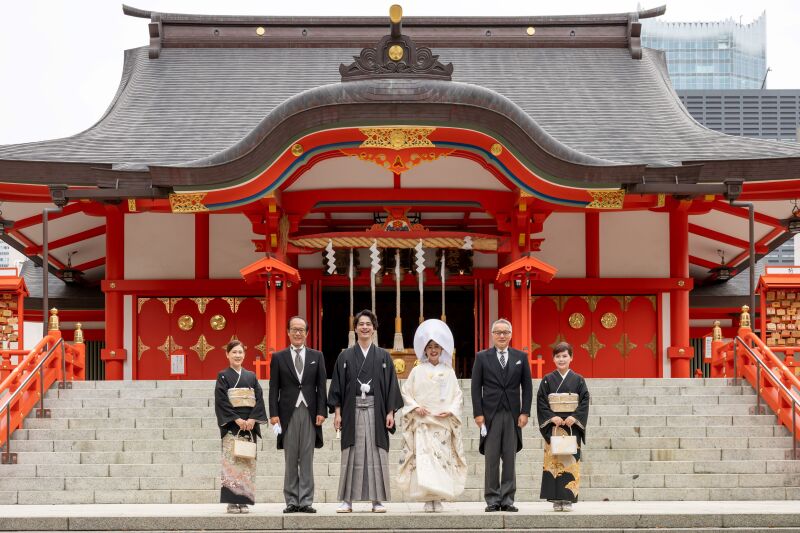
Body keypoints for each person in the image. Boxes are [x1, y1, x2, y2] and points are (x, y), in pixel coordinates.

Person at [327, 309, 403, 513]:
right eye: (361, 324)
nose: (365, 327)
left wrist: (390, 412)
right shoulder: (345, 356)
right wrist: (337, 412)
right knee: (350, 454)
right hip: (351, 412)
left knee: (377, 454)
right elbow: (337, 386)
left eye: (368, 324)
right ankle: (347, 500)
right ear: (356, 328)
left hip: (376, 411)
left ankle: (377, 500)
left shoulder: (383, 356)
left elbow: (390, 386)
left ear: (374, 328)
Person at [398, 319, 467, 512]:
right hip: (423, 423)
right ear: (425, 350)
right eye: (430, 347)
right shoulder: (417, 370)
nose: (434, 350)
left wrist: (452, 410)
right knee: (425, 462)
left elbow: (458, 395)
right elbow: (406, 392)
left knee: (442, 460)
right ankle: (428, 499)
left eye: (437, 346)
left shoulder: (448, 371)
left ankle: (440, 498)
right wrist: (415, 407)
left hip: (442, 423)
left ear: (442, 349)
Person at [471, 318, 532, 513]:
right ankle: (492, 499)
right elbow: (475, 387)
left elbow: (527, 387)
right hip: (490, 415)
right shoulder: (482, 357)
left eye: (505, 332)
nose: (502, 335)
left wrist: (525, 412)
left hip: (513, 414)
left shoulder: (520, 356)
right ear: (492, 335)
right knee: (491, 458)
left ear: (511, 335)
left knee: (509, 457)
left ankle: (507, 499)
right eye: (498, 332)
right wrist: (478, 414)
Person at [269, 316, 327, 514]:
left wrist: (321, 411)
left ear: (307, 333)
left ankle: (306, 500)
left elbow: (321, 386)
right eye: (294, 329)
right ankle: (292, 500)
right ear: (288, 332)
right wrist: (274, 414)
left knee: (307, 457)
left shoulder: (316, 356)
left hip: (310, 412)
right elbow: (273, 387)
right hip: (288, 413)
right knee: (291, 457)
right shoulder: (279, 357)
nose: (298, 333)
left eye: (301, 330)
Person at [214, 340, 268, 514]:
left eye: (240, 352)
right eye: (234, 352)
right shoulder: (223, 376)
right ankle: (231, 501)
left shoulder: (251, 376)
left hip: (249, 426)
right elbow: (221, 401)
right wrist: (236, 419)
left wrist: (252, 419)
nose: (238, 355)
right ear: (227, 354)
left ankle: (243, 501)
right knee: (232, 463)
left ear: (244, 355)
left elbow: (258, 398)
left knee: (246, 462)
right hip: (232, 425)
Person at [536, 341, 590, 512]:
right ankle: (555, 499)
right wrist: (552, 417)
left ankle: (567, 499)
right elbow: (541, 402)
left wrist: (575, 417)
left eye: (564, 356)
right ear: (553, 359)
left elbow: (585, 400)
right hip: (554, 427)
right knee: (554, 462)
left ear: (571, 357)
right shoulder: (547, 380)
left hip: (572, 427)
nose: (561, 359)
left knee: (569, 462)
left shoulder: (579, 380)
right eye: (558, 356)